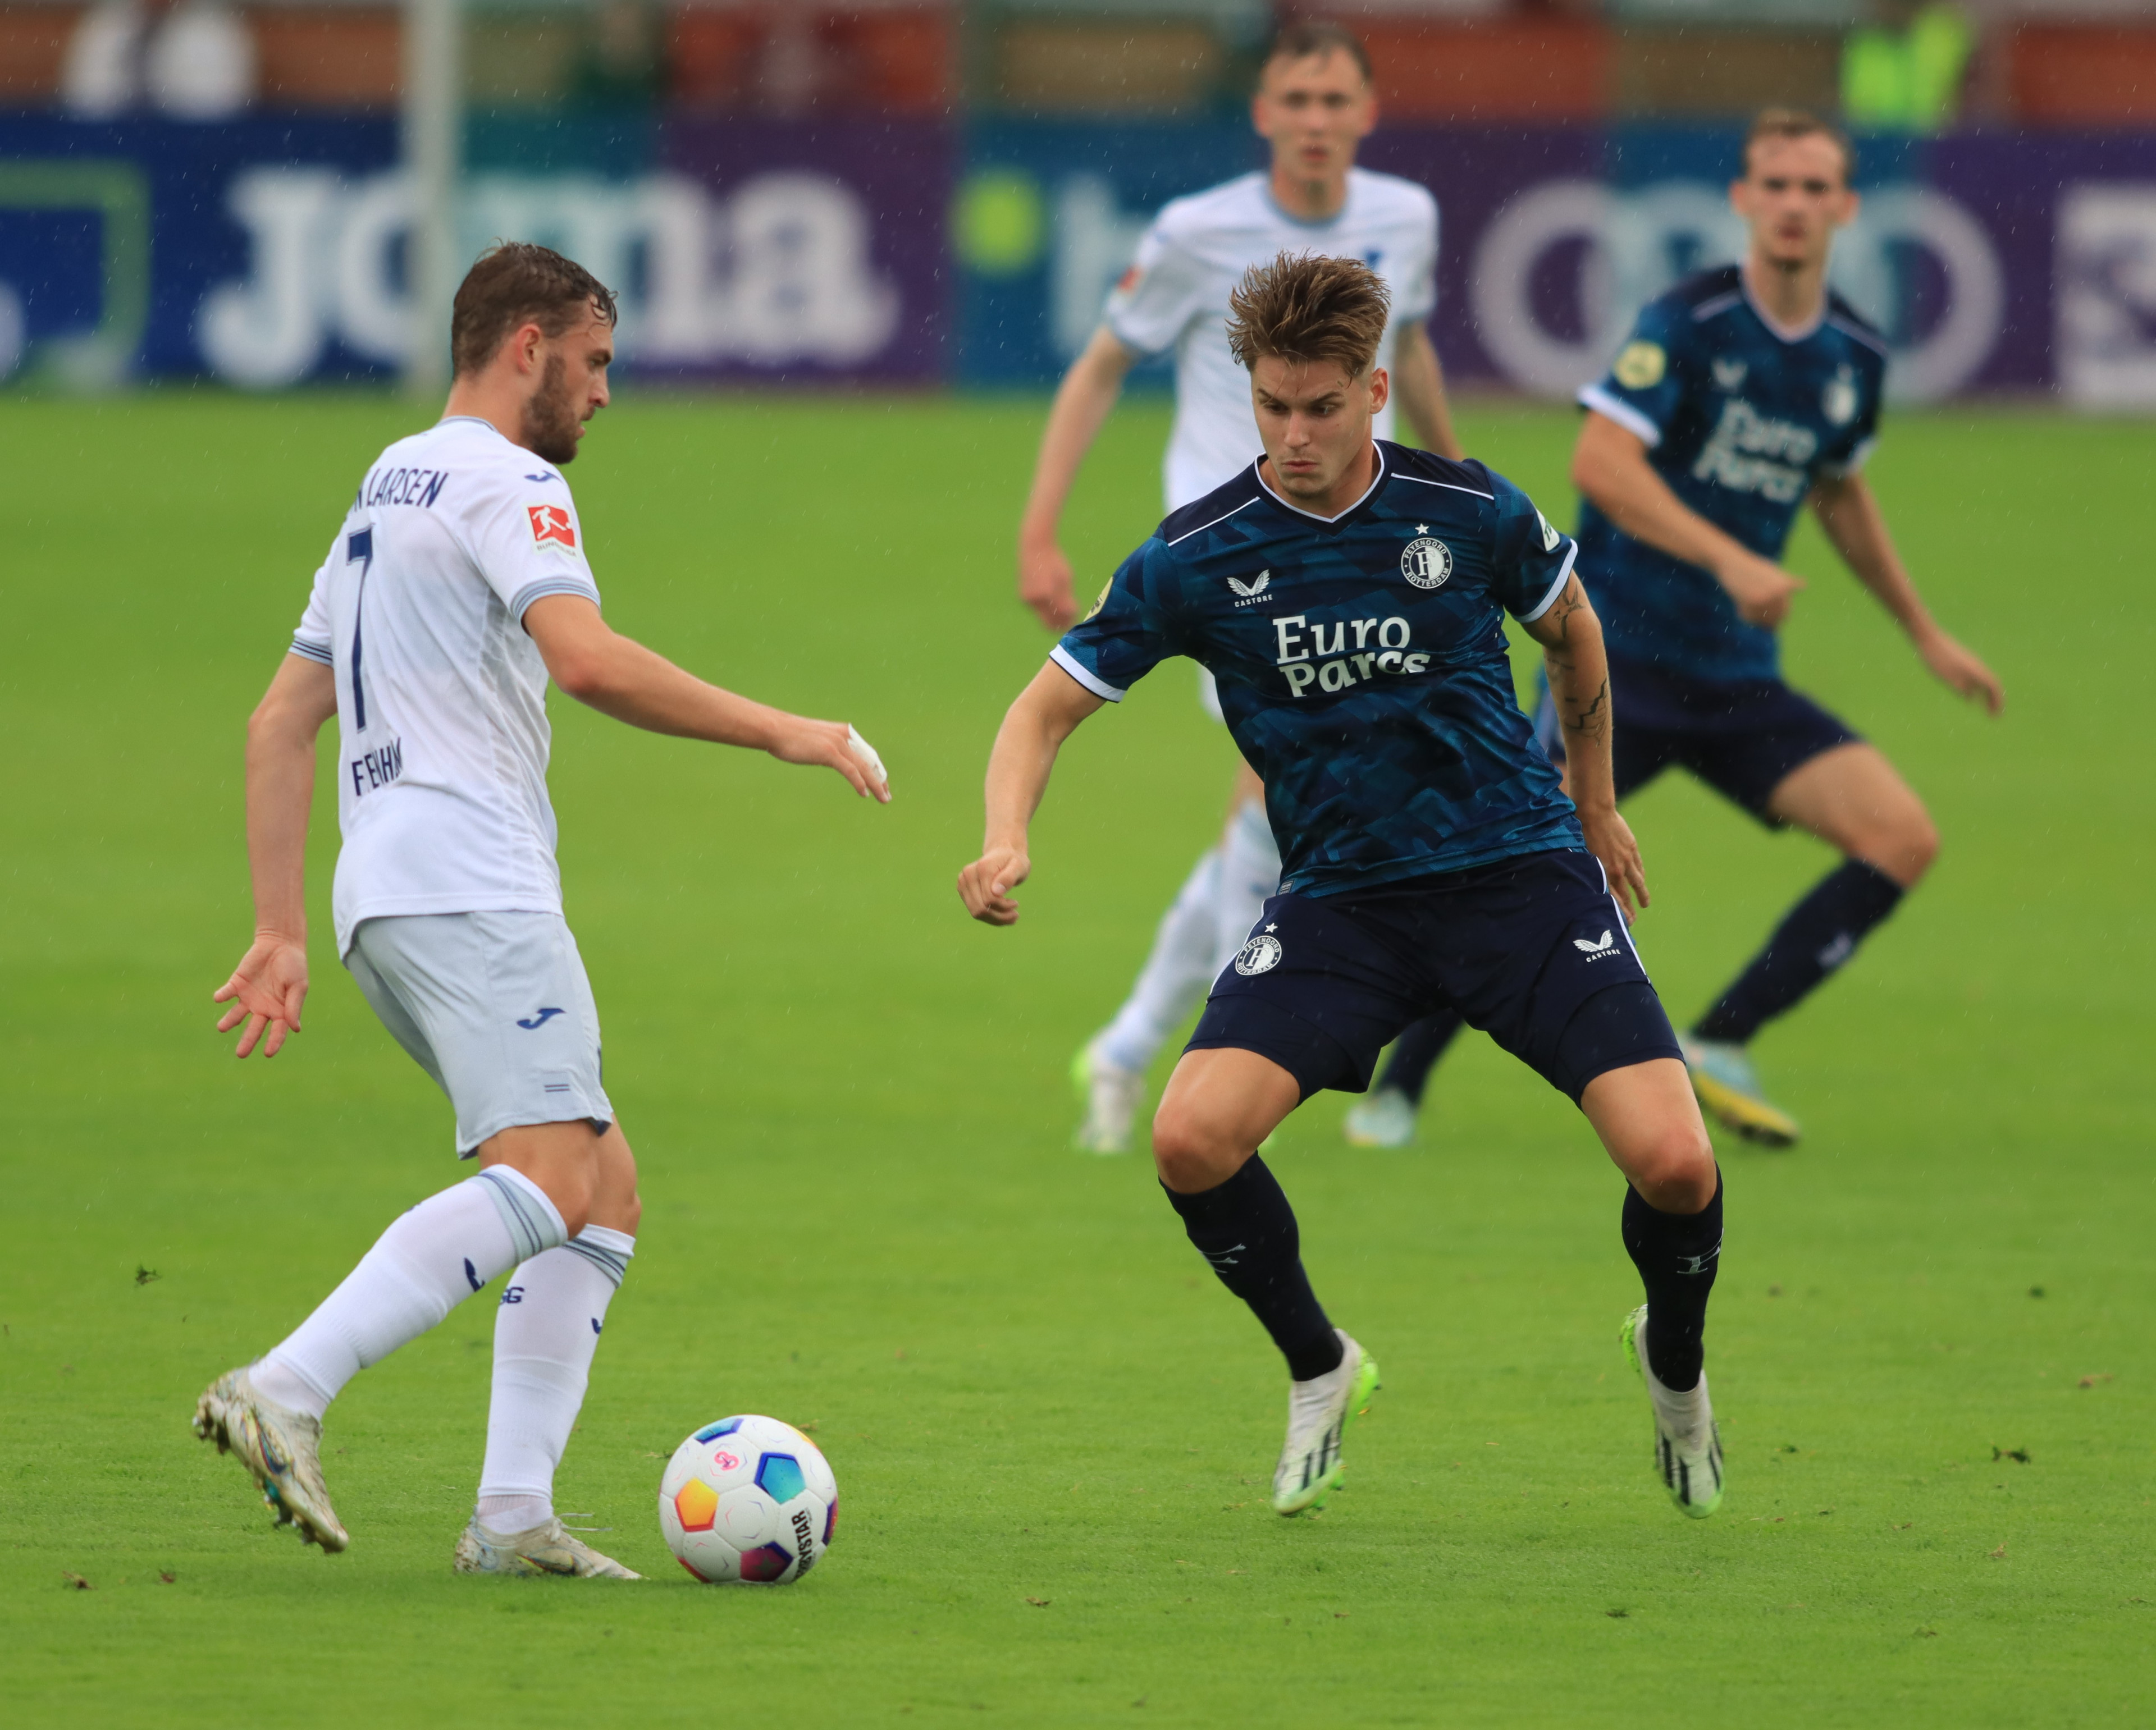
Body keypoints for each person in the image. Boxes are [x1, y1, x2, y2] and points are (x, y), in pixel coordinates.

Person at [961, 252, 1728, 1521]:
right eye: (1272, 405)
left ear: (1376, 389)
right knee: (1188, 1137)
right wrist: (1004, 836)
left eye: (1322, 406)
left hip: (1518, 877)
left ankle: (1677, 1362)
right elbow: (1040, 712)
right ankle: (1321, 1362)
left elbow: (1575, 625)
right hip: (1347, 904)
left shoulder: (1467, 509)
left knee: (1677, 1166)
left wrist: (1594, 806)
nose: (1296, 433)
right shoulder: (1198, 555)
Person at [195, 242, 889, 1576]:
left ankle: (512, 1515)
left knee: (602, 1187)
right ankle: (285, 1384)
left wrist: (281, 926)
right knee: (555, 1175)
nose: (607, 393)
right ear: (529, 345)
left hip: (378, 893)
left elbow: (282, 720)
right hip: (470, 878)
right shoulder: (513, 482)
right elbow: (585, 661)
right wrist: (789, 730)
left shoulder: (387, 481)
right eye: (598, 359)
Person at [1355, 108, 2003, 1150]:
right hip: (1617, 670)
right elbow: (1600, 462)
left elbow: (1840, 493)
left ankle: (1723, 1040)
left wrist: (1924, 631)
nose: (1793, 205)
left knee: (1900, 835)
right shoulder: (1689, 322)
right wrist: (1731, 556)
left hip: (1738, 682)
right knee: (1514, 867)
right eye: (1775, 185)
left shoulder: (1852, 355)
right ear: (1744, 200)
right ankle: (1395, 1093)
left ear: (1844, 206)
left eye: (1813, 187)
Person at [1013, 21, 1465, 1154]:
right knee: (1272, 798)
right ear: (1263, 114)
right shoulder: (1197, 231)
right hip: (1238, 567)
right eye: (1295, 101)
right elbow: (1103, 362)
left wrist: (1463, 497)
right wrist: (1041, 526)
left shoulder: (1405, 217)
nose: (1315, 121)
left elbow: (1404, 355)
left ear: (1366, 112)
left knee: (1272, 814)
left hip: (1372, 553)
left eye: (1334, 101)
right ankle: (1230, 1057)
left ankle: (1133, 1050)